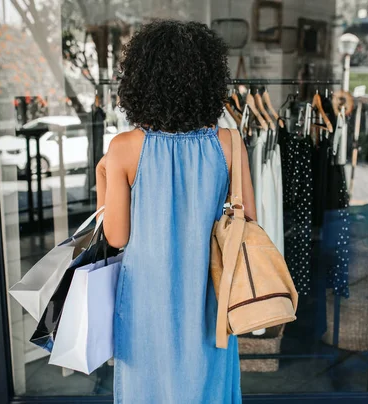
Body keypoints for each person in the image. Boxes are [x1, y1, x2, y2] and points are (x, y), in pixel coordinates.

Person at [96, 20, 256, 403]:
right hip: (210, 293)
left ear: (140, 80)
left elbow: (116, 237)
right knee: (208, 387)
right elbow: (248, 221)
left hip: (148, 299)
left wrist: (103, 174)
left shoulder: (125, 147)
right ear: (208, 81)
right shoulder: (230, 142)